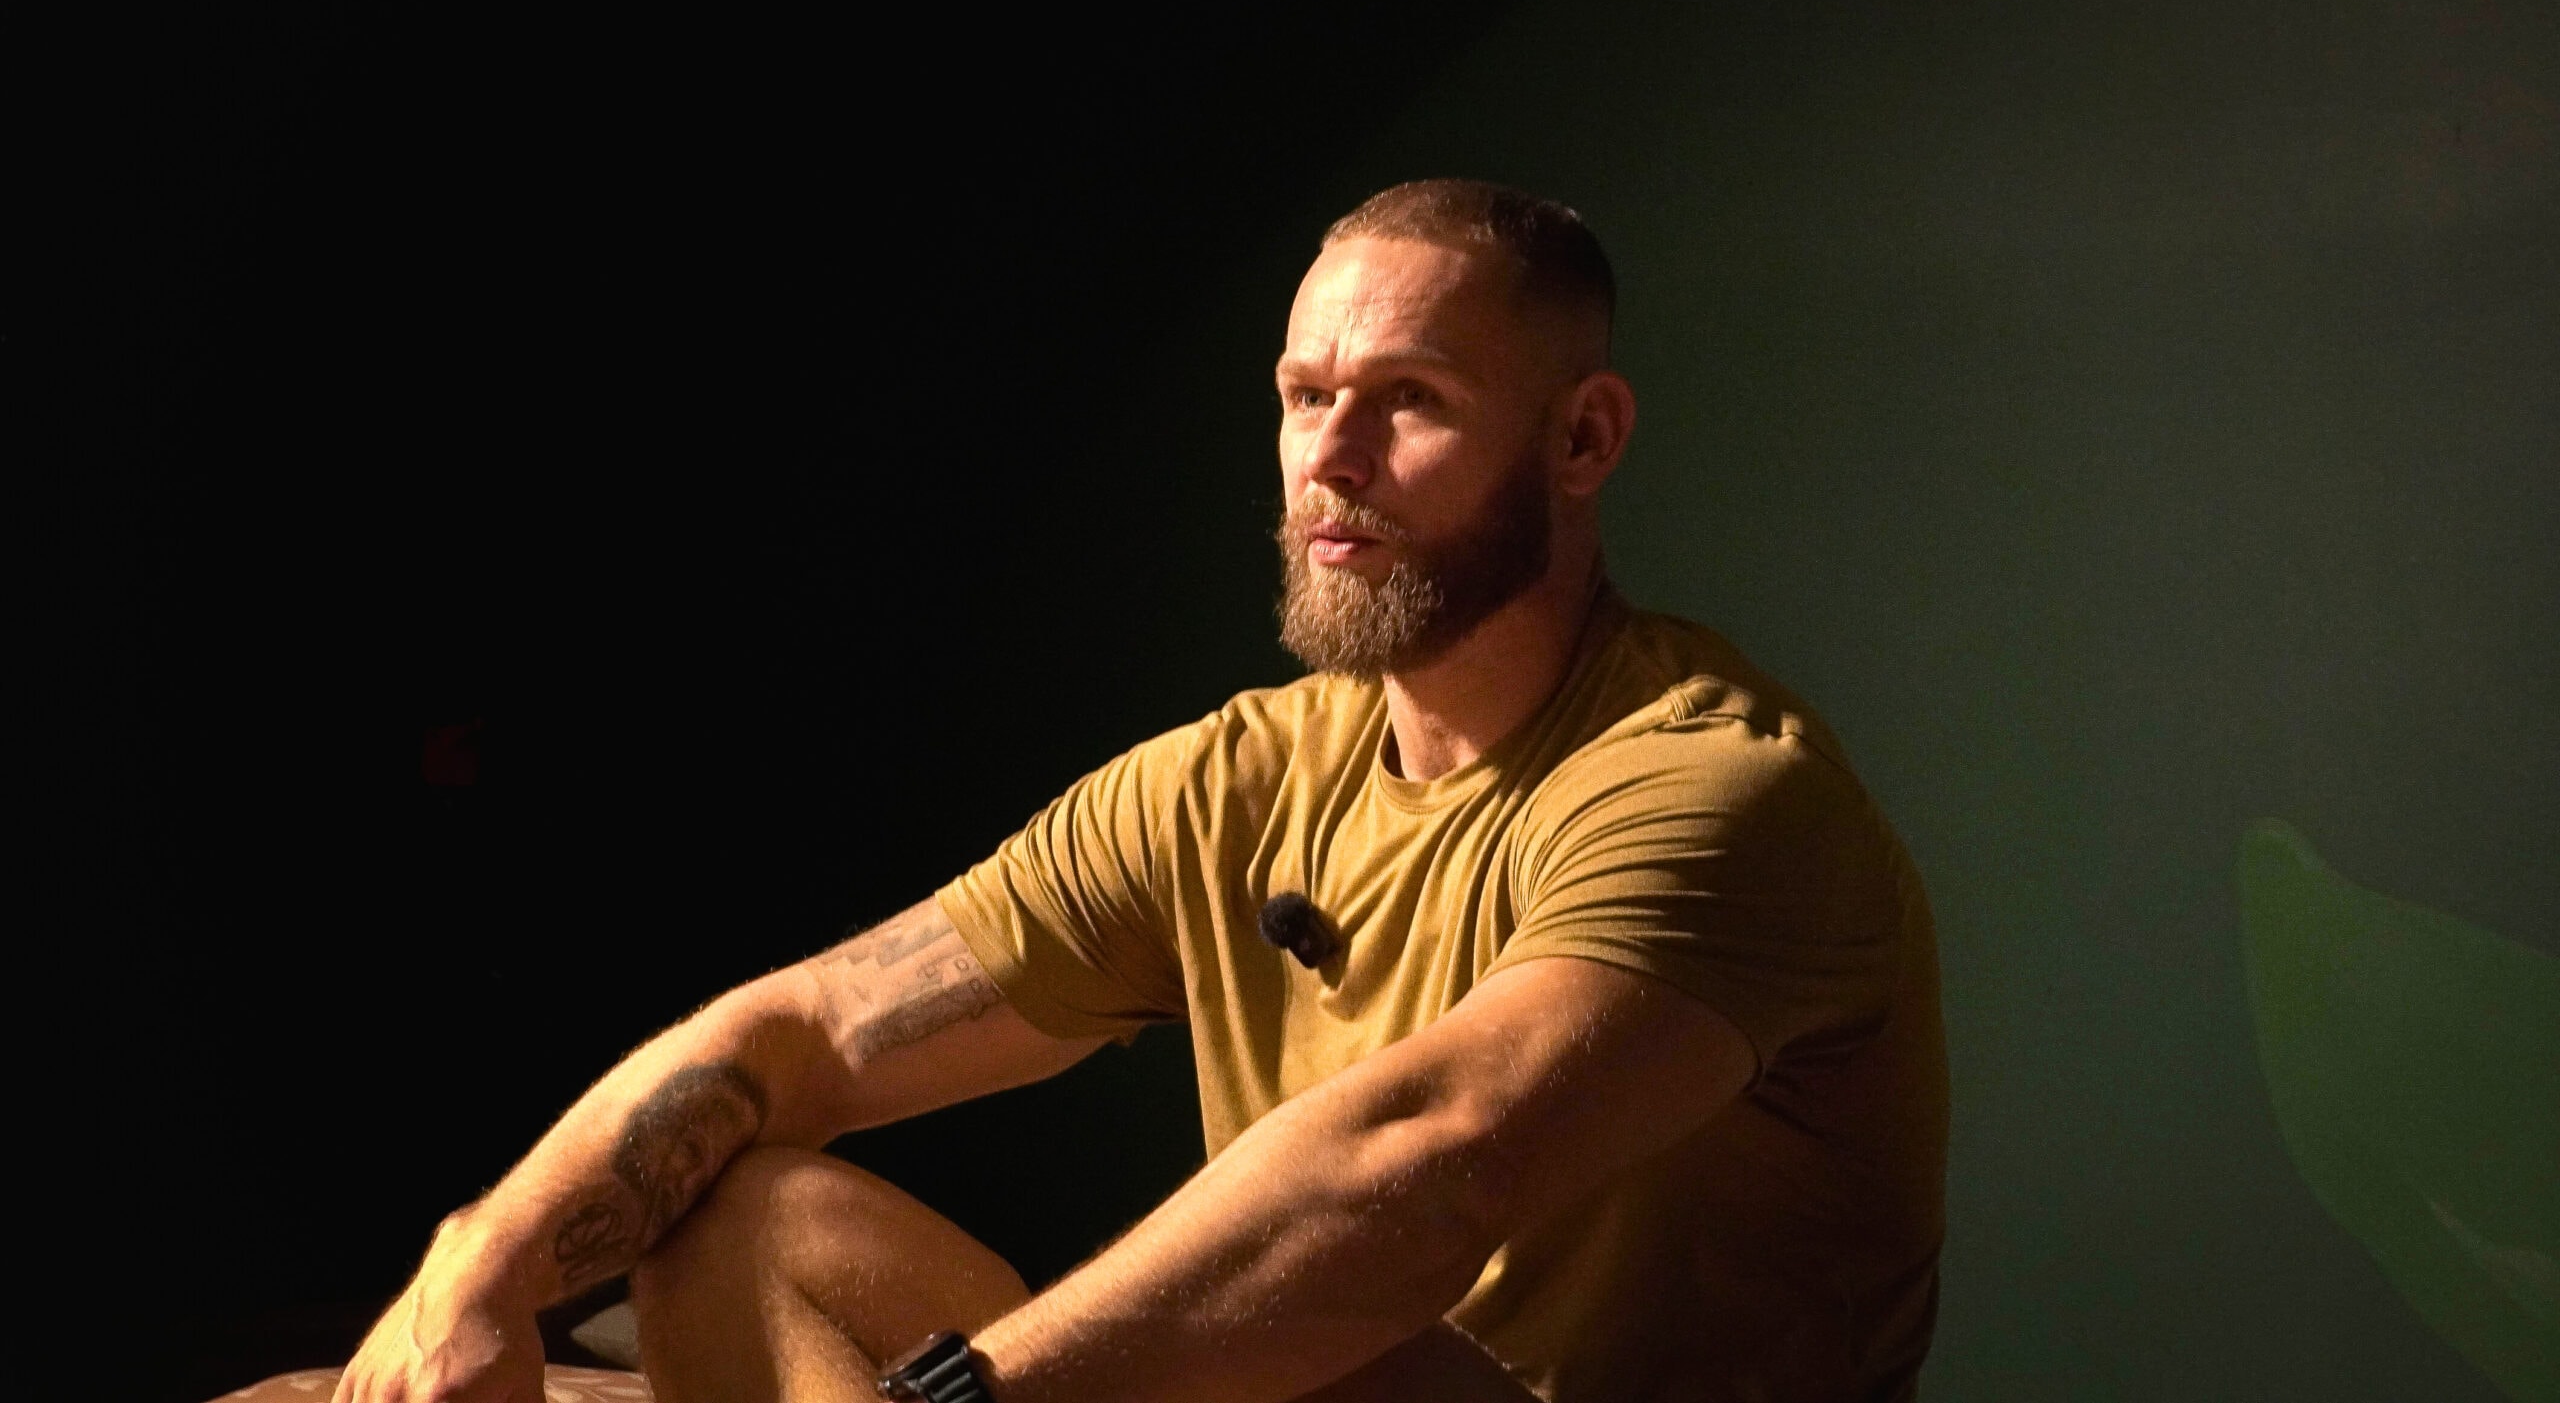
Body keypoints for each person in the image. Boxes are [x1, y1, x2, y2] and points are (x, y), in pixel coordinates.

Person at [333, 179, 1948, 1403]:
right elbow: (807, 1031)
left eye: (1412, 400)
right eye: (1306, 396)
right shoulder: (1241, 780)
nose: (1332, 457)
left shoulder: (1717, 791)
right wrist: (484, 1267)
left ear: (1583, 439)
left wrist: (958, 1399)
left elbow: (1411, 1170)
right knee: (738, 1224)